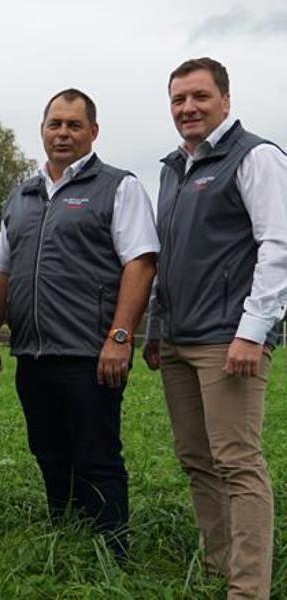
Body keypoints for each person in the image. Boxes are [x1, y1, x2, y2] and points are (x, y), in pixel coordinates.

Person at [0, 89, 159, 558]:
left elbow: (139, 263)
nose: (63, 133)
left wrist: (121, 337)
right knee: (50, 455)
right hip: (33, 353)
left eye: (74, 125)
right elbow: (2, 269)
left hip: (91, 354)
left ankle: (111, 554)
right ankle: (67, 542)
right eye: (55, 124)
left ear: (93, 132)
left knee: (97, 458)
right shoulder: (22, 196)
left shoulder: (119, 187)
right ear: (42, 131)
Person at [144, 57, 287, 599]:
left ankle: (248, 589)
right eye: (179, 99)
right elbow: (170, 255)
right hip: (179, 339)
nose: (188, 108)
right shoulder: (172, 168)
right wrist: (157, 327)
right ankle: (218, 567)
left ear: (225, 100)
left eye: (200, 97)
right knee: (197, 460)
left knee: (238, 463)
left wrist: (253, 331)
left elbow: (279, 247)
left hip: (228, 339)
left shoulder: (256, 157)